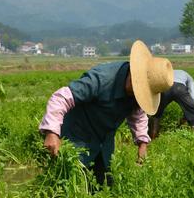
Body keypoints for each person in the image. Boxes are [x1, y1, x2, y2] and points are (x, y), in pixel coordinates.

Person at [39, 40, 173, 186]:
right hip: (76, 137)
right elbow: (61, 97)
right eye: (139, 88)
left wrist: (142, 143)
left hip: (104, 141)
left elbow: (138, 115)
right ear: (134, 74)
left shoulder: (136, 97)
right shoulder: (102, 79)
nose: (138, 94)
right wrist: (52, 132)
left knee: (104, 187)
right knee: (67, 184)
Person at [148, 69, 194, 139]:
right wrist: (191, 109)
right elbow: (192, 91)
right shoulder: (188, 76)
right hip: (179, 88)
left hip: (165, 88)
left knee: (156, 114)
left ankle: (152, 138)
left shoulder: (168, 73)